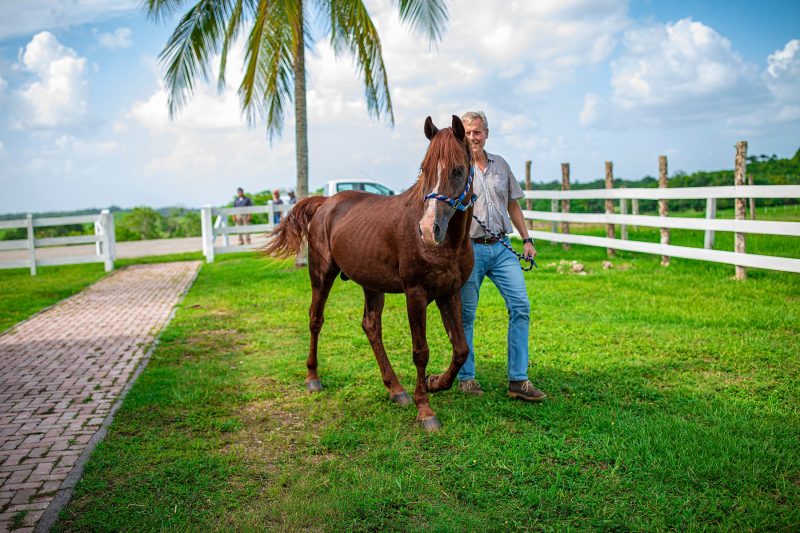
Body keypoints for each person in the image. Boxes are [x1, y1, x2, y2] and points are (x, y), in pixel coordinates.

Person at [457, 110, 546, 402]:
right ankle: (467, 378)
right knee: (466, 314)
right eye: (468, 132)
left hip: (502, 247)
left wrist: (527, 239)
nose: (473, 137)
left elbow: (512, 205)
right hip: (469, 249)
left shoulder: (501, 164)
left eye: (477, 131)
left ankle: (518, 380)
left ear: (486, 134)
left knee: (520, 306)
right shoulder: (457, 167)